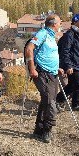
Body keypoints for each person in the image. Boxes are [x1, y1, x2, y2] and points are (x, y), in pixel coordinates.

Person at [25, 14, 65, 143]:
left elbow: (48, 54)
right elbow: (29, 48)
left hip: (52, 73)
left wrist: (56, 68)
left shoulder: (52, 36)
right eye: (59, 22)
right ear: (53, 24)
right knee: (50, 102)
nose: (60, 25)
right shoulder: (42, 33)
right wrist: (32, 68)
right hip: (41, 72)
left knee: (47, 100)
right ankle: (47, 130)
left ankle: (39, 128)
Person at [56, 13, 79, 111]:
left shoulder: (78, 34)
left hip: (76, 63)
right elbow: (65, 51)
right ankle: (76, 104)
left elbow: (77, 49)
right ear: (76, 22)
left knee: (72, 85)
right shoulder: (70, 35)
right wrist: (68, 65)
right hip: (72, 64)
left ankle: (58, 100)